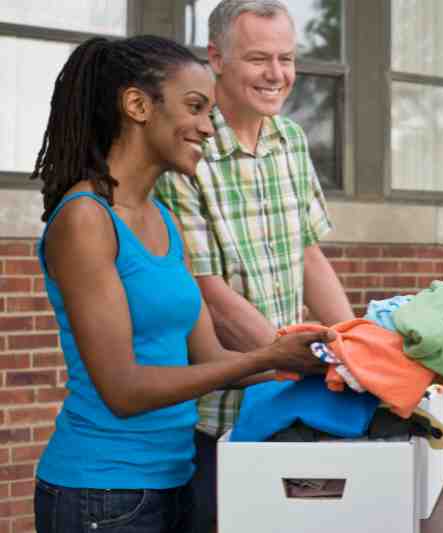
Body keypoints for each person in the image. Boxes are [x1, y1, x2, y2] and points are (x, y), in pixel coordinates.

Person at [30, 35, 331, 533]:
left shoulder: (163, 219)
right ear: (137, 105)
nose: (208, 128)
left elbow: (210, 360)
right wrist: (269, 357)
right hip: (101, 495)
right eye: (195, 107)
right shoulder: (86, 219)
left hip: (175, 480)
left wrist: (309, 363)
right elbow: (123, 389)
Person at [153, 1, 354, 530]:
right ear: (216, 58)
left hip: (290, 402)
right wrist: (302, 364)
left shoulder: (291, 140)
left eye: (286, 58)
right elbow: (207, 293)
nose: (277, 74)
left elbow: (310, 256)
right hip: (217, 420)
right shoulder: (186, 150)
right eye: (259, 58)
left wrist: (351, 348)